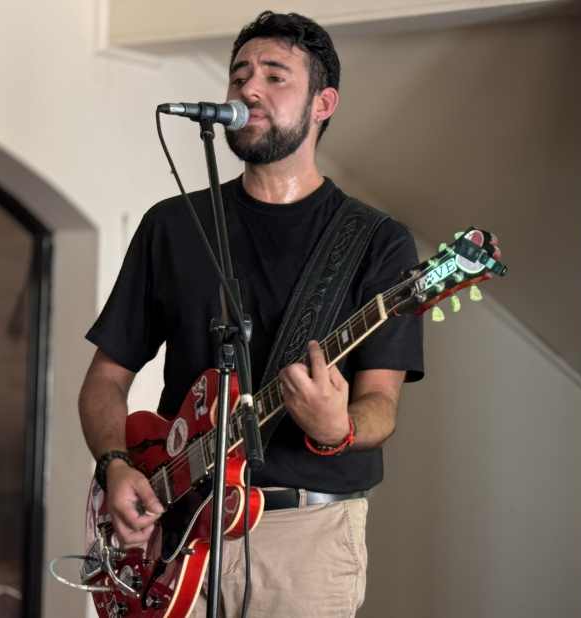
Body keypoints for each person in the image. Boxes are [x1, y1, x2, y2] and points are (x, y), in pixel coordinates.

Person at [77, 10, 424, 618]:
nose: (249, 88)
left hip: (305, 540)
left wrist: (335, 427)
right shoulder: (173, 225)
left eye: (274, 75)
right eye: (239, 75)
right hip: (179, 528)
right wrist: (115, 465)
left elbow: (381, 408)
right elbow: (106, 378)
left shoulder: (375, 240)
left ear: (323, 103)